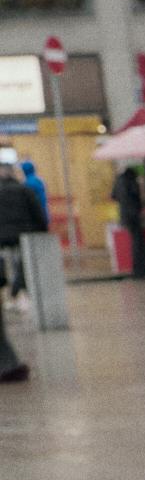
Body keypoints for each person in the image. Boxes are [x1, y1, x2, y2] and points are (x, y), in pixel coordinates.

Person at [0, 149, 46, 382]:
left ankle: (15, 292)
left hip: (3, 240)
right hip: (23, 237)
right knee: (21, 266)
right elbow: (38, 211)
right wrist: (42, 230)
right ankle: (17, 292)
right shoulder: (26, 188)